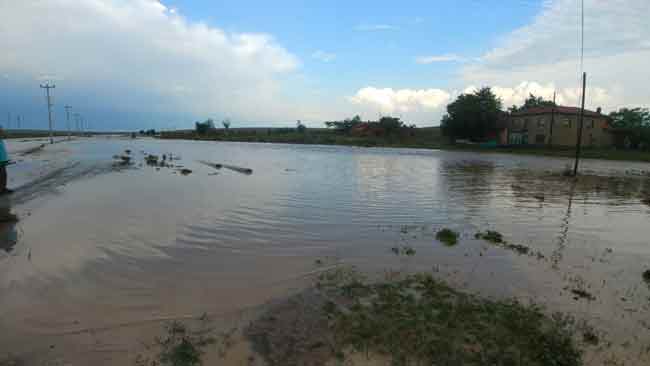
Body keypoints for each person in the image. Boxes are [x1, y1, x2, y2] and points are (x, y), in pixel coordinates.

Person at [0, 127, 12, 195]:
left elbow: (2, 150)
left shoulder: (1, 139)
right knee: (1, 175)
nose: (2, 132)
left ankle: (3, 189)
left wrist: (6, 159)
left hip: (3, 160)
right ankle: (1, 190)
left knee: (3, 175)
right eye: (1, 131)